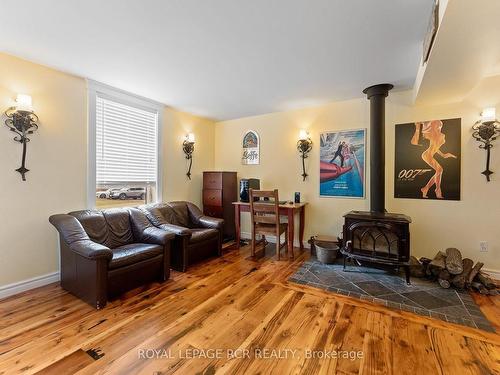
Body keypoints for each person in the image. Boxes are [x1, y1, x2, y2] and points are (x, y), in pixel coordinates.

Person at [411, 120, 457, 199]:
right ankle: (437, 189)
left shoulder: (442, 135)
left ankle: (426, 188)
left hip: (430, 155)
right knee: (440, 170)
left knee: (439, 170)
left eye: (439, 125)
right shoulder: (431, 134)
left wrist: (444, 155)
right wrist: (417, 127)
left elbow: (436, 147)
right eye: (436, 125)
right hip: (426, 155)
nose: (438, 126)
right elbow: (414, 142)